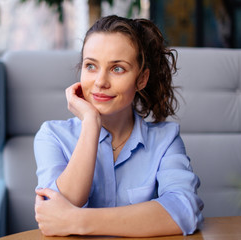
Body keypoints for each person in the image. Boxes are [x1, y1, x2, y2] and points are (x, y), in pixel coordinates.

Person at [34, 15, 204, 237]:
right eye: (91, 66)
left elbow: (185, 210)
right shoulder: (52, 135)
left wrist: (77, 220)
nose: (101, 82)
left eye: (117, 69)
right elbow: (55, 211)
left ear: (141, 79)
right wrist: (91, 124)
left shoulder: (165, 140)